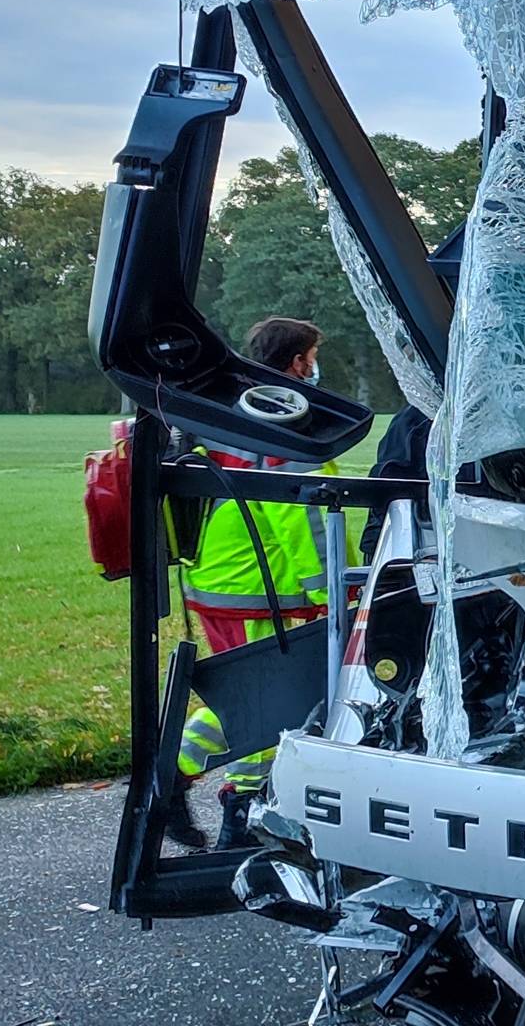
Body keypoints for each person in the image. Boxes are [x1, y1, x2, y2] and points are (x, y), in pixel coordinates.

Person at [161, 316, 337, 850]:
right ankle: (201, 792)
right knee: (263, 704)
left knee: (260, 699)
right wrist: (335, 591)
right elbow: (302, 516)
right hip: (254, 589)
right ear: (297, 362)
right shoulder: (282, 421)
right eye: (310, 357)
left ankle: (210, 792)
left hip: (227, 579)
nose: (312, 368)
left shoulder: (238, 411)